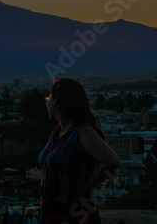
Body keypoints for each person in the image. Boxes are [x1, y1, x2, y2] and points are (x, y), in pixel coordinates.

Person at [39, 78, 121, 224]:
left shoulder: (82, 131)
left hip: (74, 214)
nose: (47, 102)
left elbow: (112, 161)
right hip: (51, 211)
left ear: (57, 101)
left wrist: (86, 188)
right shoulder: (57, 131)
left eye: (49, 98)